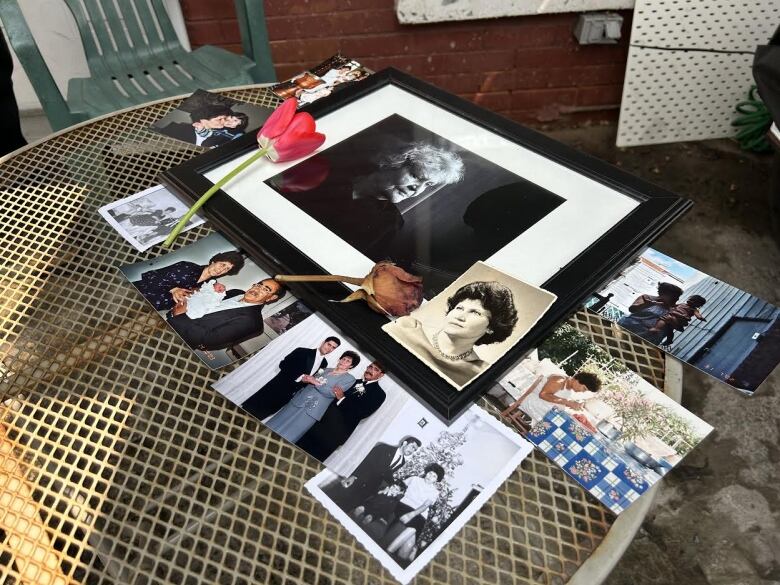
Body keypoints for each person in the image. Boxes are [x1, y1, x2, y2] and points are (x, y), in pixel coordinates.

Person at [270, 140, 465, 256]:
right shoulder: (331, 169)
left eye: (428, 185)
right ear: (393, 163)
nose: (417, 188)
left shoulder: (389, 222)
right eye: (416, 176)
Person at [387, 281, 518, 387]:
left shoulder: (479, 373)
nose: (460, 316)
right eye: (459, 308)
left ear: (491, 327)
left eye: (475, 312)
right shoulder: (407, 328)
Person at [296, 360, 388, 461]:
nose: (370, 370)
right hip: (319, 423)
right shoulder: (352, 381)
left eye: (375, 369)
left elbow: (363, 413)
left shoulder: (379, 394)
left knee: (311, 462)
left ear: (381, 375)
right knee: (295, 451)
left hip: (335, 433)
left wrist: (342, 398)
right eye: (370, 367)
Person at [265, 350, 360, 443]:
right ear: (339, 359)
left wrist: (314, 381)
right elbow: (309, 382)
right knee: (275, 422)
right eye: (343, 359)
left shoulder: (349, 379)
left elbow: (332, 393)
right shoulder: (326, 370)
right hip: (298, 401)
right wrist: (306, 380)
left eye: (348, 361)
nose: (344, 362)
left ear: (351, 366)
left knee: (290, 434)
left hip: (313, 410)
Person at [240, 337, 341, 422]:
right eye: (329, 344)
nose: (329, 348)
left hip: (288, 396)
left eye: (333, 348)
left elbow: (311, 380)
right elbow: (283, 364)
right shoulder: (302, 351)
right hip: (275, 388)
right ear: (323, 342)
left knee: (259, 417)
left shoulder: (324, 364)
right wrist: (301, 377)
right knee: (247, 411)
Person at [166, 278, 284, 351]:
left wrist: (180, 316)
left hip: (177, 340)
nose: (257, 289)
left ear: (272, 298)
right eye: (259, 285)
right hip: (167, 318)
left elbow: (208, 340)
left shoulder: (253, 322)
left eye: (266, 289)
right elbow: (204, 298)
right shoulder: (236, 292)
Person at [327, 436, 422, 509]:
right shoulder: (384, 447)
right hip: (358, 480)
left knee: (345, 508)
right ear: (405, 443)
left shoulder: (402, 462)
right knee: (332, 496)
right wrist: (353, 476)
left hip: (368, 490)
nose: (412, 451)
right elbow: (365, 461)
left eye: (415, 450)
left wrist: (396, 484)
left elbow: (386, 473)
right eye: (412, 447)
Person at [132, 250, 245, 311]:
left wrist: (217, 292)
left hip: (152, 309)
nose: (222, 269)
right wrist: (174, 289)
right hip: (136, 293)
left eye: (227, 269)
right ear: (214, 261)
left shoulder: (208, 285)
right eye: (222, 264)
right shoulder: (187, 267)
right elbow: (150, 275)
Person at [383, 463, 444, 558]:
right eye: (430, 473)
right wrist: (391, 491)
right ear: (427, 472)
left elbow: (425, 505)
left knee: (405, 552)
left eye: (434, 476)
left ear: (437, 480)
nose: (430, 476)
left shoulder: (435, 492)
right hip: (404, 506)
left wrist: (411, 515)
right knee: (414, 528)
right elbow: (399, 486)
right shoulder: (414, 479)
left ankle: (404, 553)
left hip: (420, 513)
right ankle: (388, 551)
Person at [514, 371, 602, 423]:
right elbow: (543, 395)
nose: (582, 391)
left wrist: (572, 405)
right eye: (584, 388)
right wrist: (568, 402)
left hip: (541, 408)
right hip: (532, 402)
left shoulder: (568, 389)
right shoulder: (560, 380)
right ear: (579, 380)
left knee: (566, 422)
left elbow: (555, 400)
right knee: (559, 423)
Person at [618, 282, 684, 344]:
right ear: (665, 293)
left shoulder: (676, 309)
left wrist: (672, 321)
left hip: (648, 340)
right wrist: (645, 305)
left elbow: (680, 328)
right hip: (627, 330)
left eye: (677, 297)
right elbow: (632, 309)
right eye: (675, 296)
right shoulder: (647, 298)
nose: (677, 299)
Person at [162, 105, 249, 147]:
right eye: (219, 119)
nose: (225, 122)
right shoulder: (175, 129)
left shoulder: (223, 135)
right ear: (203, 120)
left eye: (225, 118)